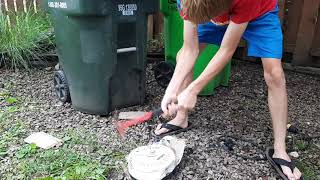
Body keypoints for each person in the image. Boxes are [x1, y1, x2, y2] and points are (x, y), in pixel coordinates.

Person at [154, 0, 302, 179]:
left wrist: (193, 90)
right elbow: (189, 50)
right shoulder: (188, 1)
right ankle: (181, 118)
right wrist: (172, 89)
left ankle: (280, 150)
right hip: (216, 10)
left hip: (259, 13)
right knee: (181, 55)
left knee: (275, 74)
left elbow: (226, 50)